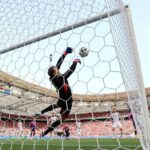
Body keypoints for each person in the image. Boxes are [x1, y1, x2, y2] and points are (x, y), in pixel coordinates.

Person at [36, 47, 81, 137]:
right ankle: (45, 130)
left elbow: (58, 63)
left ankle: (42, 114)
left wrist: (65, 53)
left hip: (63, 98)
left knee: (56, 106)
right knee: (61, 119)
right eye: (56, 69)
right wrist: (75, 61)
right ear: (54, 72)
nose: (58, 69)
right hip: (67, 100)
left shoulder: (52, 77)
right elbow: (70, 71)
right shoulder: (60, 78)